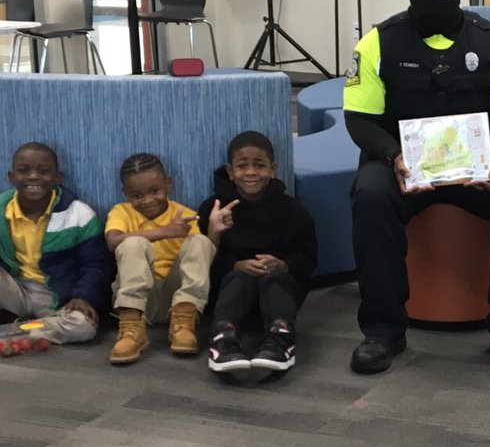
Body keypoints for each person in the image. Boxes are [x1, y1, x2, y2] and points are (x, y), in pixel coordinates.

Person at [343, 0, 490, 377]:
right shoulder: (377, 43)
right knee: (370, 193)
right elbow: (359, 120)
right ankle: (383, 330)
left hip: (480, 167)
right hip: (401, 166)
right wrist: (392, 155)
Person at [198, 131, 318, 375]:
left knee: (275, 279)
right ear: (230, 171)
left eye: (259, 165)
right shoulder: (213, 208)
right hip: (228, 294)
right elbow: (201, 262)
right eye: (242, 166)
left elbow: (308, 258)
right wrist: (233, 262)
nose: (251, 172)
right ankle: (223, 339)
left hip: (278, 295)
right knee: (238, 278)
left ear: (272, 169)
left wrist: (283, 264)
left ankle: (280, 339)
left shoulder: (292, 210)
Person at [106, 153, 216, 364]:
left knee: (200, 242)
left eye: (154, 191)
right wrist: (166, 231)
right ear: (125, 194)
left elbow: (202, 260)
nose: (147, 200)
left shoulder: (184, 215)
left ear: (168, 184)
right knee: (132, 243)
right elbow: (113, 241)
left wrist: (214, 232)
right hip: (136, 301)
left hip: (174, 299)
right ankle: (131, 331)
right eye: (136, 195)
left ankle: (183, 323)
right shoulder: (121, 212)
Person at [0, 143, 111, 344]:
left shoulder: (79, 214)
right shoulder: (1, 210)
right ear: (12, 177)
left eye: (42, 171)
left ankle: (16, 330)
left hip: (57, 297)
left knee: (82, 326)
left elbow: (97, 264)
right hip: (16, 290)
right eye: (24, 171)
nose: (33, 176)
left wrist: (83, 297)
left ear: (57, 178)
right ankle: (32, 329)